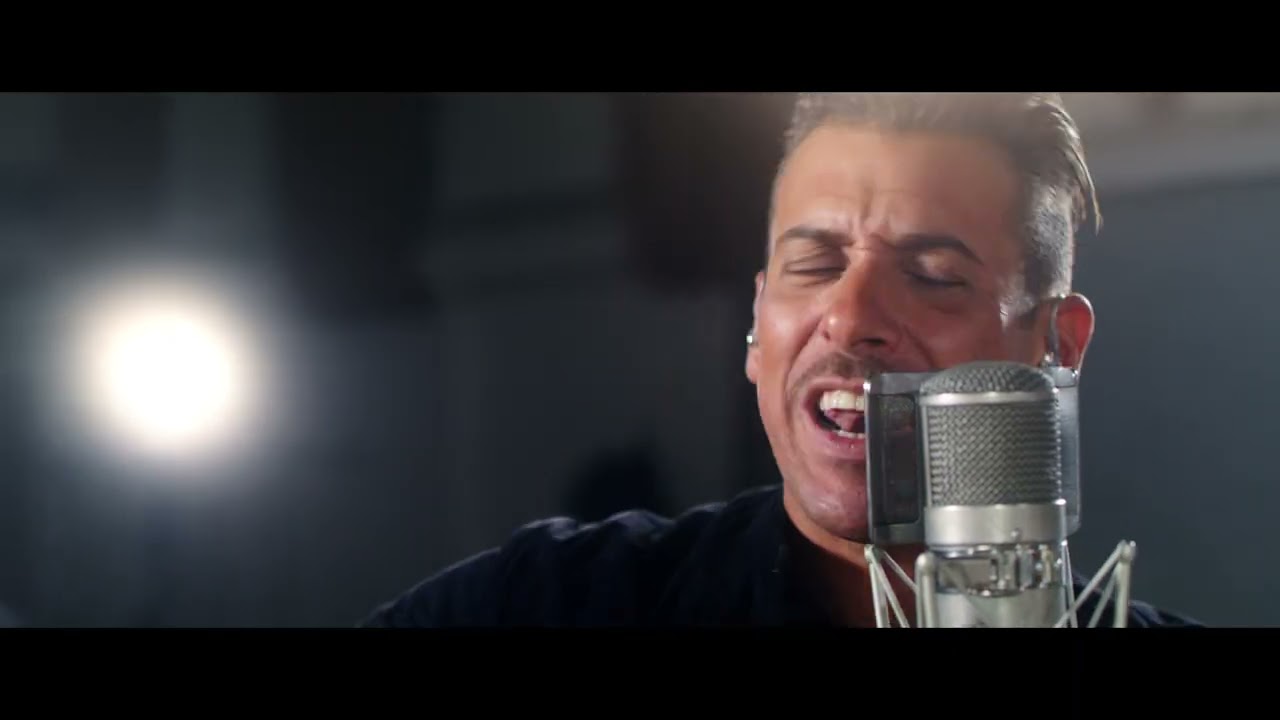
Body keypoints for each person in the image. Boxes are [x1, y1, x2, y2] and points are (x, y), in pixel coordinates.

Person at [361, 92, 1199, 628]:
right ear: (758, 329)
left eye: (933, 276)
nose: (851, 317)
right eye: (815, 263)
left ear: (1057, 346)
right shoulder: (550, 604)